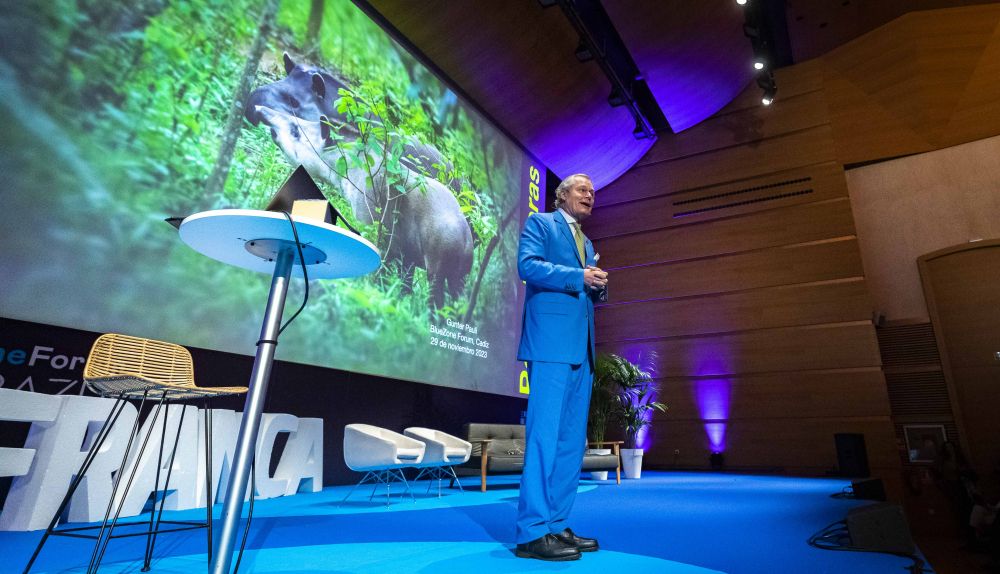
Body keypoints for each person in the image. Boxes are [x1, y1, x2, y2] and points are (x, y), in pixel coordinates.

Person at [514, 173, 608, 561]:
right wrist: (578, 276)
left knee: (571, 443)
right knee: (544, 438)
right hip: (550, 345)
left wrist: (598, 286)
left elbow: (587, 292)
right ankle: (531, 532)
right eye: (582, 189)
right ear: (562, 195)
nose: (589, 195)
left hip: (581, 350)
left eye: (592, 192)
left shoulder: (586, 242)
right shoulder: (541, 223)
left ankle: (556, 523)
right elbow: (527, 266)